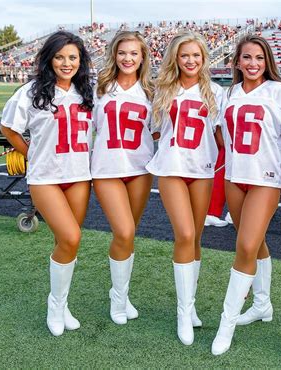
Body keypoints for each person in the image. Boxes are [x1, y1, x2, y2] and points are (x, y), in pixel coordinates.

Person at [0, 31, 93, 336]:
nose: (66, 63)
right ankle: (55, 305)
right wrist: (31, 153)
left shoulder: (87, 91)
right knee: (70, 238)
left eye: (72, 57)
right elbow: (8, 128)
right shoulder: (30, 92)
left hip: (79, 175)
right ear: (48, 59)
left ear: (81, 61)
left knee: (65, 242)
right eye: (59, 57)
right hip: (45, 177)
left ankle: (63, 304)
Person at [211, 34, 281, 356]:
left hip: (265, 179)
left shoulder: (279, 91)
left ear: (267, 61)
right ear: (237, 62)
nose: (253, 64)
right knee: (254, 242)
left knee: (244, 245)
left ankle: (225, 324)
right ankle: (262, 304)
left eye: (259, 58)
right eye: (247, 57)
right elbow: (220, 130)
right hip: (235, 177)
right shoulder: (228, 93)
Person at [146, 31, 226, 345]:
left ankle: (190, 307)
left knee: (197, 238)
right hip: (172, 169)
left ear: (204, 58)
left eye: (196, 55)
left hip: (203, 170)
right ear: (175, 59)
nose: (190, 61)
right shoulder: (163, 90)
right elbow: (153, 132)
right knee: (185, 235)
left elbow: (221, 137)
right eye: (184, 55)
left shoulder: (216, 92)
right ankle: (183, 313)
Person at [91, 31, 155, 325]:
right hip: (107, 169)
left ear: (142, 57)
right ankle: (117, 299)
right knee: (124, 232)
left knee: (130, 235)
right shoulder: (100, 87)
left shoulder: (152, 91)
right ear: (114, 55)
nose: (128, 58)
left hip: (140, 169)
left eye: (134, 53)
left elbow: (156, 132)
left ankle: (122, 293)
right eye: (122, 53)